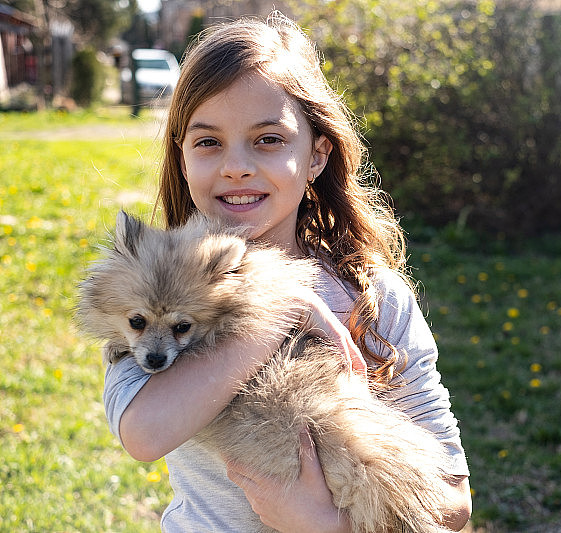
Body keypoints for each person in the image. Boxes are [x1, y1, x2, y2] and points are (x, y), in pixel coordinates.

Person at [103, 12, 471, 532]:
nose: (236, 166)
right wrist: (282, 308)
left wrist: (322, 524)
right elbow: (144, 433)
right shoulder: (148, 292)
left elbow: (452, 495)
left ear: (317, 155)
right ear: (181, 156)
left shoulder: (372, 295)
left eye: (268, 139)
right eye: (208, 142)